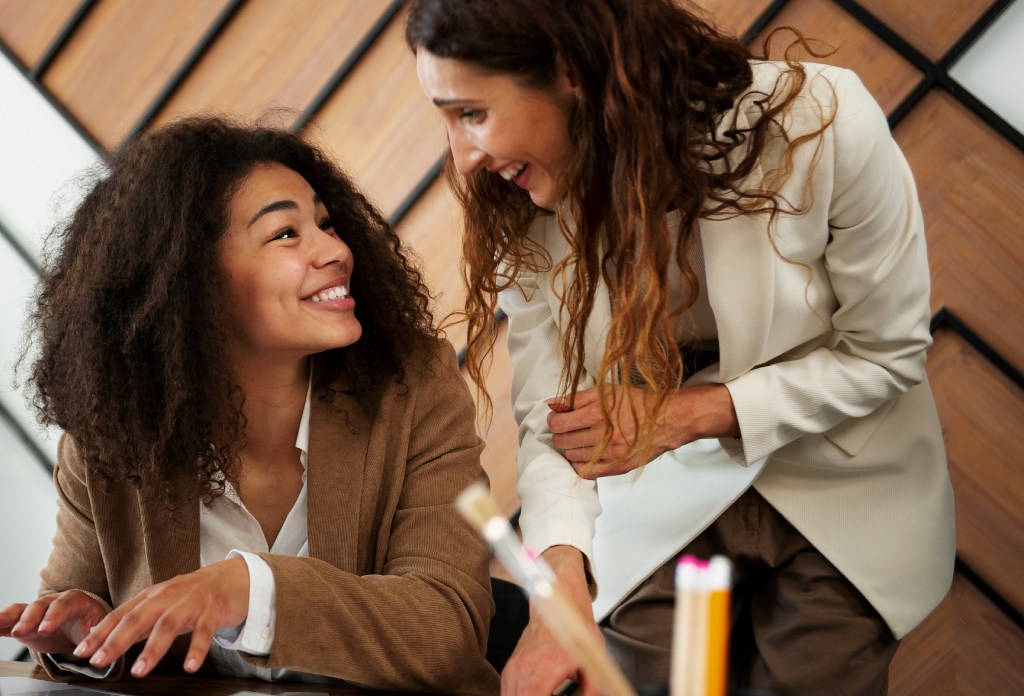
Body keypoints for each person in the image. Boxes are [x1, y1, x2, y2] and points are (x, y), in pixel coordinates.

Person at [407, 1, 954, 694]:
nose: (461, 159)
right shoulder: (519, 209)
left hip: (847, 473)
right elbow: (557, 421)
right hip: (662, 492)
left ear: (571, 72)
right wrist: (560, 584)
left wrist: (688, 414)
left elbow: (887, 353)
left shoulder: (825, 121)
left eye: (471, 114)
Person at [0, 117, 500, 694]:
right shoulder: (113, 426)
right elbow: (80, 605)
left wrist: (250, 591)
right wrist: (89, 636)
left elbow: (448, 629)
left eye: (326, 224)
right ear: (192, 282)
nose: (335, 249)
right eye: (286, 234)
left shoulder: (414, 390)